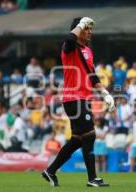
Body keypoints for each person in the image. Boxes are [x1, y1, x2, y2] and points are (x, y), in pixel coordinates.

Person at [42, 17, 114, 187]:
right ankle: (92, 179)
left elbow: (92, 74)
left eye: (90, 29)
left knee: (78, 140)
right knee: (90, 135)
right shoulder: (69, 47)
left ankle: (50, 171)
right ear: (78, 29)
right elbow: (69, 40)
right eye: (86, 28)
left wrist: (105, 93)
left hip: (83, 98)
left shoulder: (88, 51)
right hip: (73, 98)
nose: (90, 31)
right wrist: (79, 25)